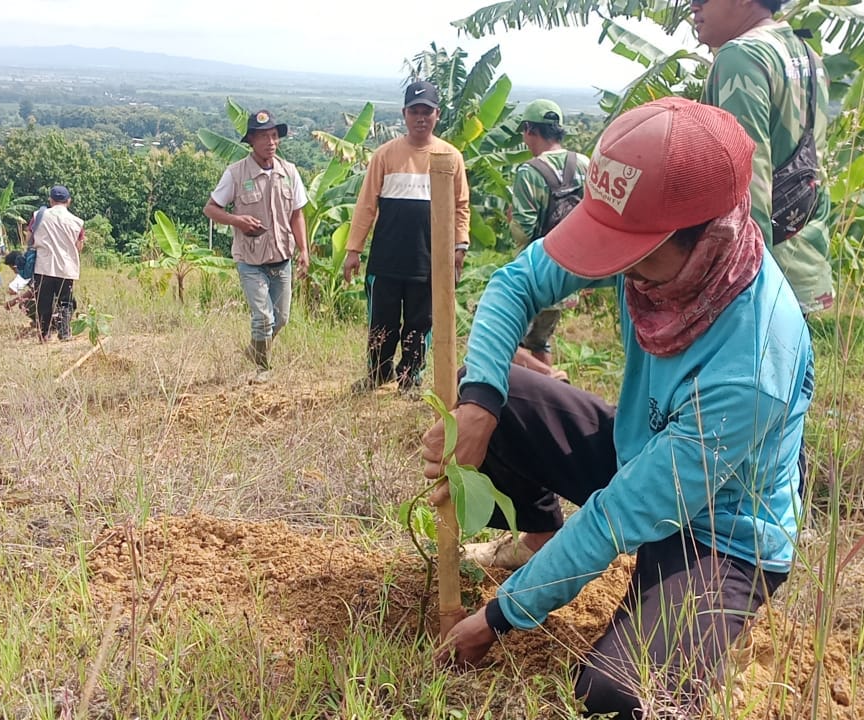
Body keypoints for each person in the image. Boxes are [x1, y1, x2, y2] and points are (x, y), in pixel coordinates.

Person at [420, 98, 813, 716]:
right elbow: (514, 283)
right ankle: (537, 536)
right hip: (642, 450)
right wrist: (478, 405)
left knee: (617, 697)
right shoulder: (662, 260)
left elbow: (620, 515)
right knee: (492, 386)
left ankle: (709, 617)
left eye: (639, 257)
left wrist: (500, 616)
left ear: (708, 239)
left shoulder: (753, 365)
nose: (623, 271)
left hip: (721, 529)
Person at [696, 0, 833, 315]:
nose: (693, 6)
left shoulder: (741, 56)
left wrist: (750, 285)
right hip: (806, 263)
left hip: (760, 282)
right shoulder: (809, 57)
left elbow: (745, 176)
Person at [343, 80, 469, 397]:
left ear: (437, 114)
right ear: (404, 114)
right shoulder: (385, 156)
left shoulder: (450, 157)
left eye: (426, 111)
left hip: (430, 261)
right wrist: (353, 250)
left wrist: (459, 246)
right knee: (382, 324)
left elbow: (461, 206)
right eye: (415, 111)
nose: (420, 118)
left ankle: (410, 380)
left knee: (420, 324)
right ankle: (377, 374)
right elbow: (366, 204)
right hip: (386, 259)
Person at [203, 109, 310, 379]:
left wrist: (304, 250)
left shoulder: (289, 172)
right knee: (263, 318)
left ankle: (254, 350)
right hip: (250, 261)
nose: (270, 142)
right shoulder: (236, 173)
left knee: (281, 318)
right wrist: (237, 220)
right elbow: (211, 209)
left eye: (274, 136)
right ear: (251, 140)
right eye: (263, 137)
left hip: (282, 258)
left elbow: (298, 213)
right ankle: (262, 369)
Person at [509, 99, 590, 377]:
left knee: (509, 342)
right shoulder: (584, 164)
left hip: (536, 270)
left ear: (531, 129)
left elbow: (522, 229)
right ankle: (552, 390)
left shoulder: (529, 172)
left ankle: (548, 381)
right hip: (571, 271)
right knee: (541, 340)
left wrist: (511, 221)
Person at [30, 185, 84, 342]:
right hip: (66, 268)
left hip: (43, 266)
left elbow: (30, 239)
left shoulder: (38, 216)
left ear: (50, 200)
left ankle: (44, 335)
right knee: (65, 302)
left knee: (43, 302)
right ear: (69, 201)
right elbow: (79, 246)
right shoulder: (76, 222)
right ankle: (64, 333)